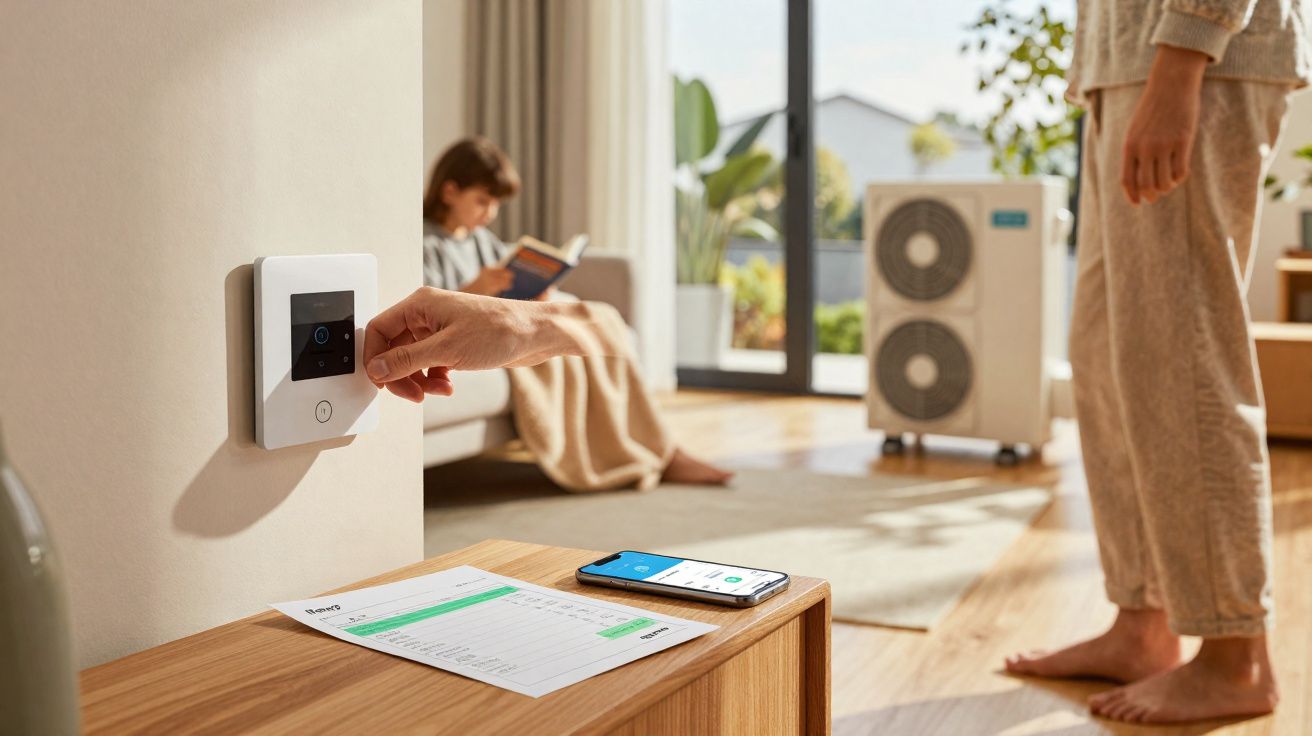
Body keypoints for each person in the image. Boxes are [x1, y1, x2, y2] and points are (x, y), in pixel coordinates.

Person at [1004, 0, 1308, 724]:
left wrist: (1184, 55)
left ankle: (1238, 656)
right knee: (1113, 355)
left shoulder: (1186, 56)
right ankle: (1143, 622)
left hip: (1193, 55)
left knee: (1186, 358)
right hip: (1127, 62)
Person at [409, 136, 732, 491]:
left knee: (600, 318)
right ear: (450, 191)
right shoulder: (426, 245)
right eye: (482, 201)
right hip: (489, 338)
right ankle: (661, 455)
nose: (490, 213)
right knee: (567, 335)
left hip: (512, 322)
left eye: (496, 204)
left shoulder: (481, 240)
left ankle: (656, 448)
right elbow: (430, 316)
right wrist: (477, 289)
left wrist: (535, 292)